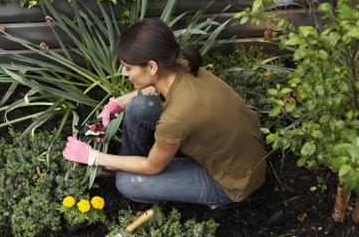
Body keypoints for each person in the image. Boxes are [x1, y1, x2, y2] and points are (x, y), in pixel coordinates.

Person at [61, 18, 266, 208]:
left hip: (232, 181)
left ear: (151, 66)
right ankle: (128, 160)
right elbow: (155, 88)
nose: (124, 73)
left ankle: (221, 200)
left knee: (127, 182)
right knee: (138, 106)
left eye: (128, 68)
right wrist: (116, 103)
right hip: (243, 152)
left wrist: (94, 157)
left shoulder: (177, 117)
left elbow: (152, 167)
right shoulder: (181, 68)